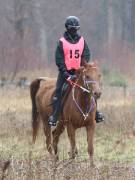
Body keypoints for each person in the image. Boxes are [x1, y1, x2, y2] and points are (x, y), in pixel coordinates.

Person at [48, 16, 104, 126]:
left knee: (90, 89)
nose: (73, 31)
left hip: (79, 72)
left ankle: (96, 113)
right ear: (67, 28)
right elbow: (59, 59)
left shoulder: (82, 41)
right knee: (59, 91)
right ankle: (55, 116)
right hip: (65, 72)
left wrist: (84, 66)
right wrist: (65, 74)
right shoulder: (62, 42)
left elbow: (86, 54)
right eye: (71, 28)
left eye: (75, 29)